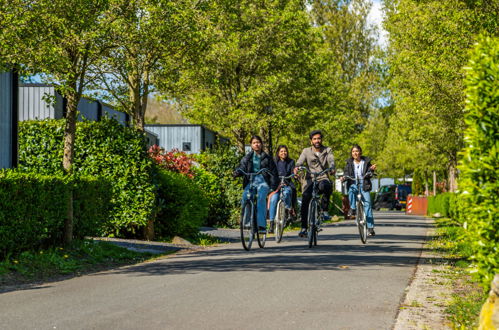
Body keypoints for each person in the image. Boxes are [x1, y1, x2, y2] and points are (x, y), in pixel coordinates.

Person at [294, 130, 335, 237]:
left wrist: (332, 167)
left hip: (322, 176)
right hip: (310, 179)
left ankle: (324, 211)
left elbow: (331, 160)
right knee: (305, 199)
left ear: (321, 139)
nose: (317, 141)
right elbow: (300, 161)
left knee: (326, 186)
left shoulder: (327, 150)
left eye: (319, 138)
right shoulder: (306, 151)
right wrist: (297, 167)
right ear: (311, 140)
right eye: (315, 139)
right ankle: (303, 228)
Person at [234, 135, 278, 233]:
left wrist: (273, 187)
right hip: (251, 180)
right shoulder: (247, 157)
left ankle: (261, 225)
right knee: (245, 197)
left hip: (263, 181)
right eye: (254, 143)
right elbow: (242, 167)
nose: (256, 144)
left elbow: (274, 173)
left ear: (261, 144)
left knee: (261, 197)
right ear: (251, 145)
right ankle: (247, 223)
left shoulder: (267, 158)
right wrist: (237, 172)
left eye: (258, 142)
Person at [341, 144, 377, 236]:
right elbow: (346, 173)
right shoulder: (349, 163)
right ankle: (352, 208)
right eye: (353, 151)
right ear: (351, 153)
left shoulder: (366, 161)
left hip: (364, 185)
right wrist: (344, 178)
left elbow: (369, 171)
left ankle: (370, 228)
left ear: (360, 152)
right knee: (351, 190)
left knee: (368, 206)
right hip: (353, 183)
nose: (355, 153)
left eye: (357, 151)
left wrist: (371, 170)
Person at [268, 145, 296, 232]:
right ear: (278, 153)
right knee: (273, 199)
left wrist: (295, 175)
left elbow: (292, 172)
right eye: (281, 151)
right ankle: (272, 224)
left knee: (287, 193)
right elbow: (271, 173)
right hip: (276, 186)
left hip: (286, 184)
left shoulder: (291, 162)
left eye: (285, 151)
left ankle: (288, 210)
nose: (284, 153)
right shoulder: (274, 162)